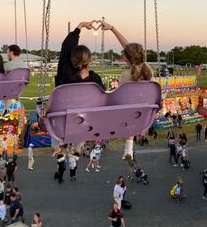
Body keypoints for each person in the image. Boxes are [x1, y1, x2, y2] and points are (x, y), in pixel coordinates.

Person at [101, 20, 153, 159]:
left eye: (124, 54)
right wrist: (112, 28)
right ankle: (128, 148)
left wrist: (112, 28)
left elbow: (121, 100)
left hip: (128, 113)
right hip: (146, 112)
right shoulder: (148, 69)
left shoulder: (126, 75)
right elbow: (129, 47)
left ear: (126, 58)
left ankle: (128, 146)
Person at [55, 21, 105, 89]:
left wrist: (81, 25)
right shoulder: (95, 81)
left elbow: (66, 48)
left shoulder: (65, 75)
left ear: (72, 60)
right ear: (90, 60)